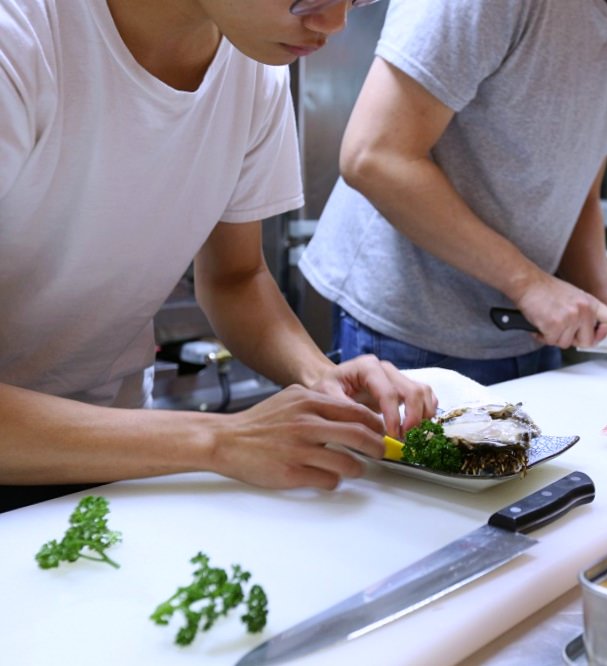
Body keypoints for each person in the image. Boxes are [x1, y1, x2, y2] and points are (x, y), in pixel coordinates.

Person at [0, 0, 438, 512]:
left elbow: (236, 277)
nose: (334, 22)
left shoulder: (254, 66)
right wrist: (218, 439)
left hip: (114, 457)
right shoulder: (22, 38)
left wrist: (323, 380)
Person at [300, 0, 607, 386]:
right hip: (408, 334)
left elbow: (579, 192)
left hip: (524, 336)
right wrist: (529, 285)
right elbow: (374, 157)